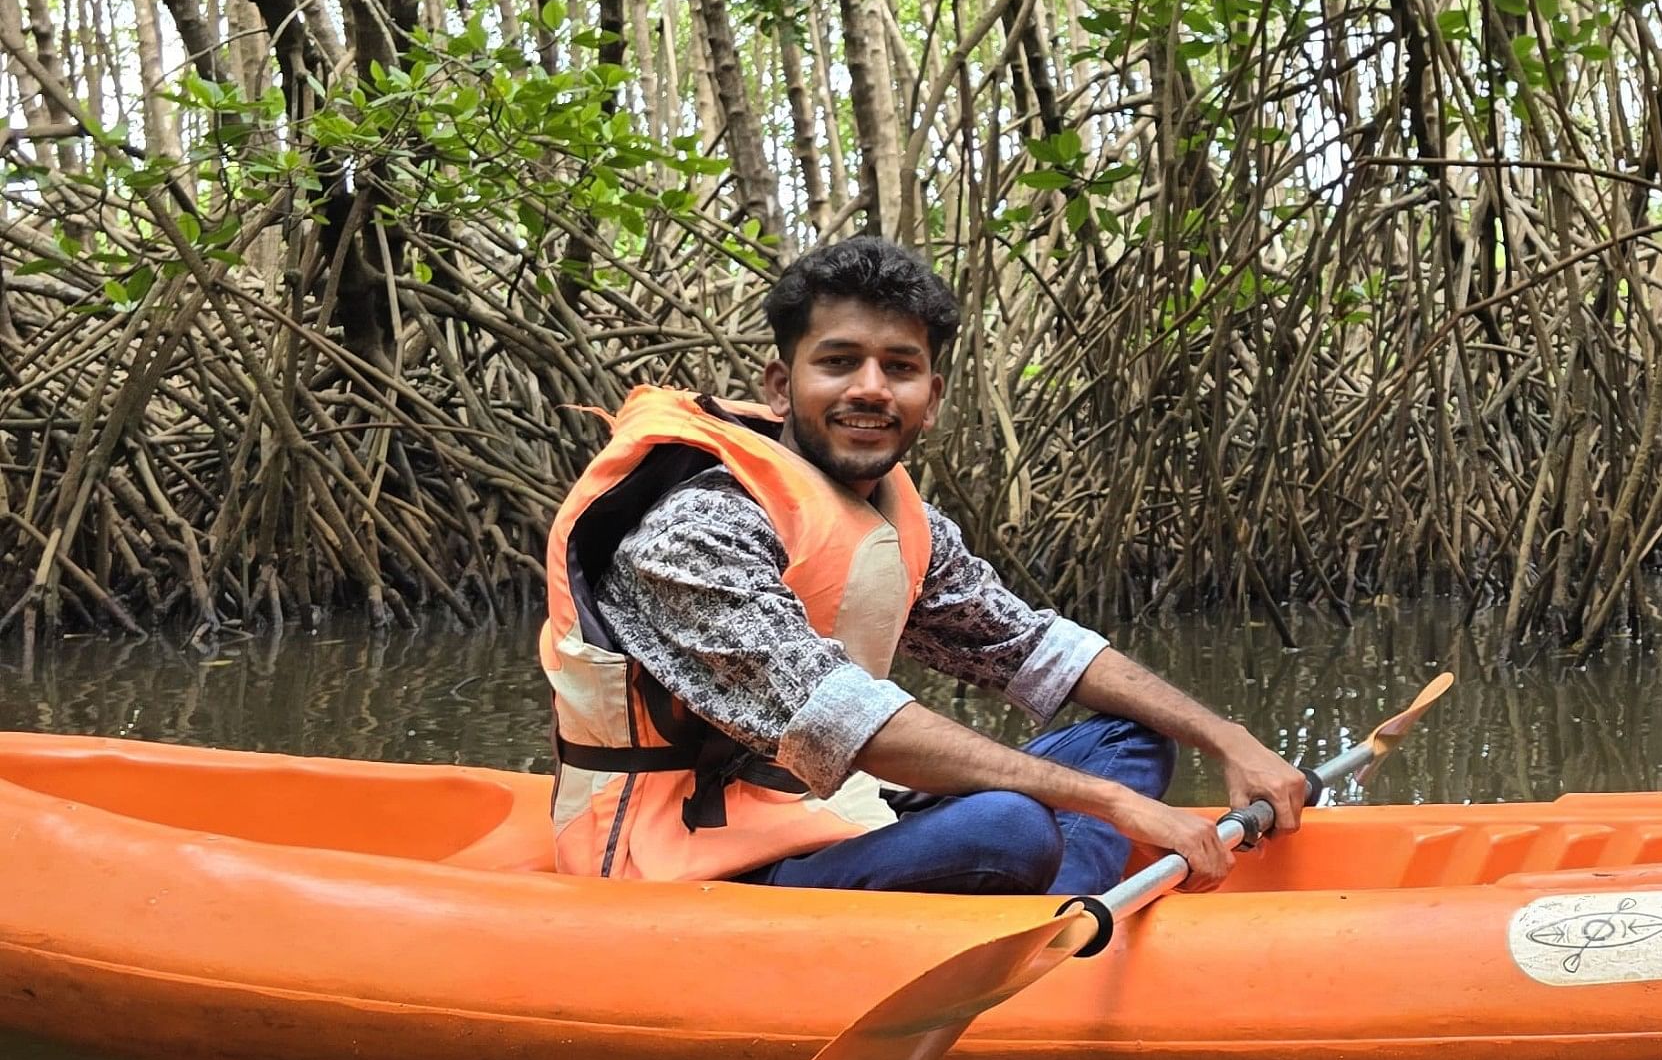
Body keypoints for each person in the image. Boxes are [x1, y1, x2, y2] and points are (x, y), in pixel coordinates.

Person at [539, 237, 1304, 891]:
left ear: (930, 397)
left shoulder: (896, 516)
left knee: (1131, 736)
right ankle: (1059, 914)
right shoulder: (699, 527)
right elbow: (839, 719)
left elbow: (1031, 646)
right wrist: (1110, 805)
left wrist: (1231, 738)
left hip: (828, 816)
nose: (870, 389)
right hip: (687, 860)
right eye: (839, 362)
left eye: (898, 367)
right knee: (1010, 827)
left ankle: (1060, 913)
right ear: (782, 384)